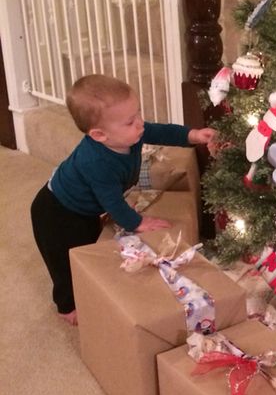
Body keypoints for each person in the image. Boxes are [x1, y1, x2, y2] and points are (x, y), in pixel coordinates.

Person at [30, 74, 216, 326]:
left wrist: (192, 135)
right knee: (66, 261)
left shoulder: (133, 133)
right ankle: (66, 306)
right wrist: (137, 222)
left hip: (84, 206)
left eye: (138, 114)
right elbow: (111, 201)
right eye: (130, 122)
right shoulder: (97, 161)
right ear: (99, 135)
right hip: (57, 212)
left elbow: (161, 131)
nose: (140, 124)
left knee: (90, 245)